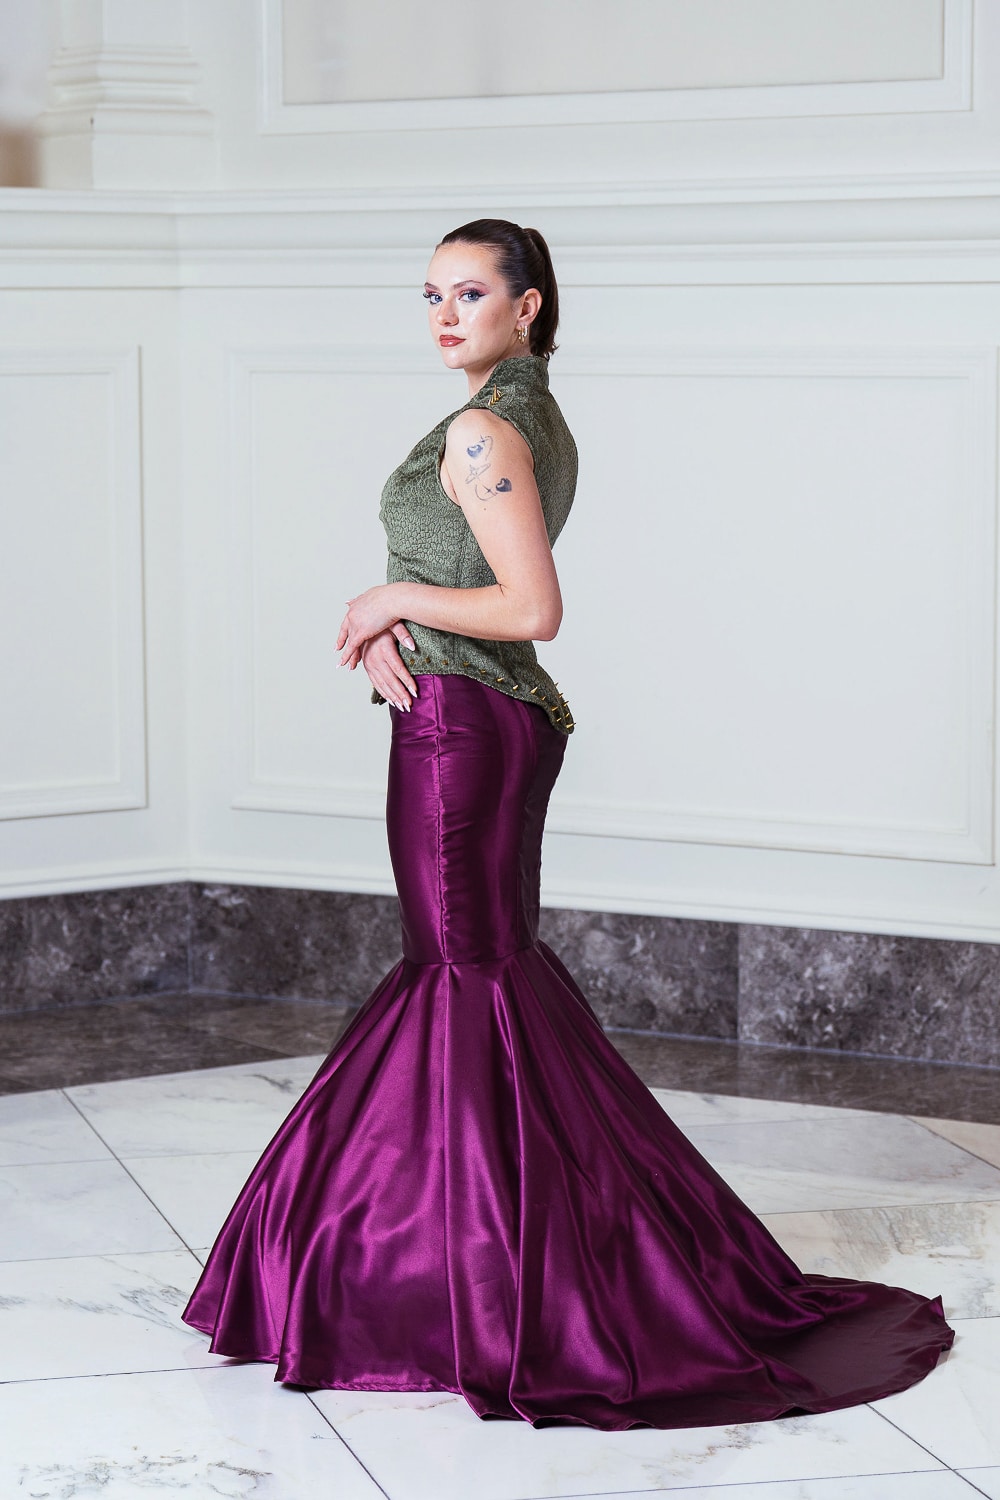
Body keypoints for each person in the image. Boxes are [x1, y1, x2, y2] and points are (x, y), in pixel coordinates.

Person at [182, 218, 954, 1431]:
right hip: (477, 718)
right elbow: (490, 586)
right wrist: (402, 628)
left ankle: (476, 1280)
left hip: (463, 730)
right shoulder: (522, 413)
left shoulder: (489, 426)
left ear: (528, 305)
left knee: (459, 977)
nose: (444, 314)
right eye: (429, 294)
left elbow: (529, 605)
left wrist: (385, 596)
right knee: (479, 976)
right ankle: (518, 1253)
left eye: (470, 292)